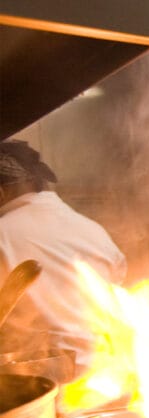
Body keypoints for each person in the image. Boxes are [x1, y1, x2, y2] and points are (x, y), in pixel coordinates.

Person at [0, 140, 127, 369]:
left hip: (36, 377)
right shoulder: (94, 230)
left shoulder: (3, 234)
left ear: (1, 192)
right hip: (105, 375)